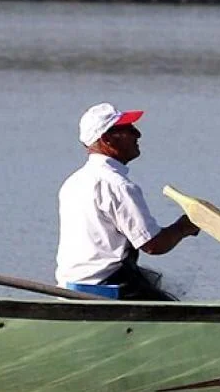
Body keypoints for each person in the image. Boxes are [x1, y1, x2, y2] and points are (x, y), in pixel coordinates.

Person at [55, 103, 199, 300]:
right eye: (127, 130)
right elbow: (153, 245)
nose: (137, 134)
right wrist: (185, 227)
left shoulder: (74, 181)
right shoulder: (119, 186)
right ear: (106, 139)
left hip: (68, 287)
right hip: (106, 288)